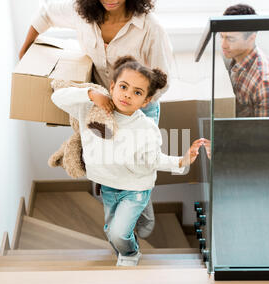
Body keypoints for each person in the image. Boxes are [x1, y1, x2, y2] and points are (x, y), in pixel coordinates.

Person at [20, 0, 175, 239]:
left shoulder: (149, 28)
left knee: (136, 170)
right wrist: (24, 52)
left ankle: (142, 226)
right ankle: (119, 227)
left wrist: (128, 106)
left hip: (137, 110)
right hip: (100, 106)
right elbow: (45, 14)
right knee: (106, 167)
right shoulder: (81, 13)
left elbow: (161, 83)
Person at [51, 56, 207, 266]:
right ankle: (132, 229)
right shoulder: (90, 108)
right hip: (108, 186)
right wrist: (90, 94)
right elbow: (58, 97)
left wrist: (182, 161)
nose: (127, 95)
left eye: (137, 92)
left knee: (119, 234)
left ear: (145, 101)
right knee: (110, 231)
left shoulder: (146, 128)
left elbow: (153, 160)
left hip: (135, 188)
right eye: (123, 87)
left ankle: (131, 253)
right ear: (112, 86)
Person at [220, 4, 269, 117]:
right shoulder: (236, 57)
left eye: (230, 39)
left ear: (251, 38)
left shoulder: (265, 84)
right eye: (222, 36)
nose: (223, 45)